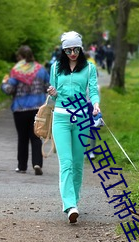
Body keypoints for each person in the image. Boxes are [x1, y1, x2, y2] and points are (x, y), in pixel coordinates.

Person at [47, 31, 100, 223]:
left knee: (78, 163)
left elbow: (93, 90)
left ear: (81, 48)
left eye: (76, 49)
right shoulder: (55, 68)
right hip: (60, 118)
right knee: (66, 162)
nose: (72, 53)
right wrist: (52, 92)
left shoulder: (89, 68)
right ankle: (69, 205)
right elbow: (53, 97)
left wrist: (95, 104)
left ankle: (74, 201)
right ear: (63, 50)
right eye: (68, 50)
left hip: (82, 119)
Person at [1, 45, 50, 175]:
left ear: (20, 57)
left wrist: (4, 83)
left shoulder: (16, 71)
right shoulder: (41, 70)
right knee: (36, 137)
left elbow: (9, 90)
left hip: (20, 109)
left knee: (22, 138)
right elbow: (48, 87)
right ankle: (37, 163)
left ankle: (22, 166)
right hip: (37, 109)